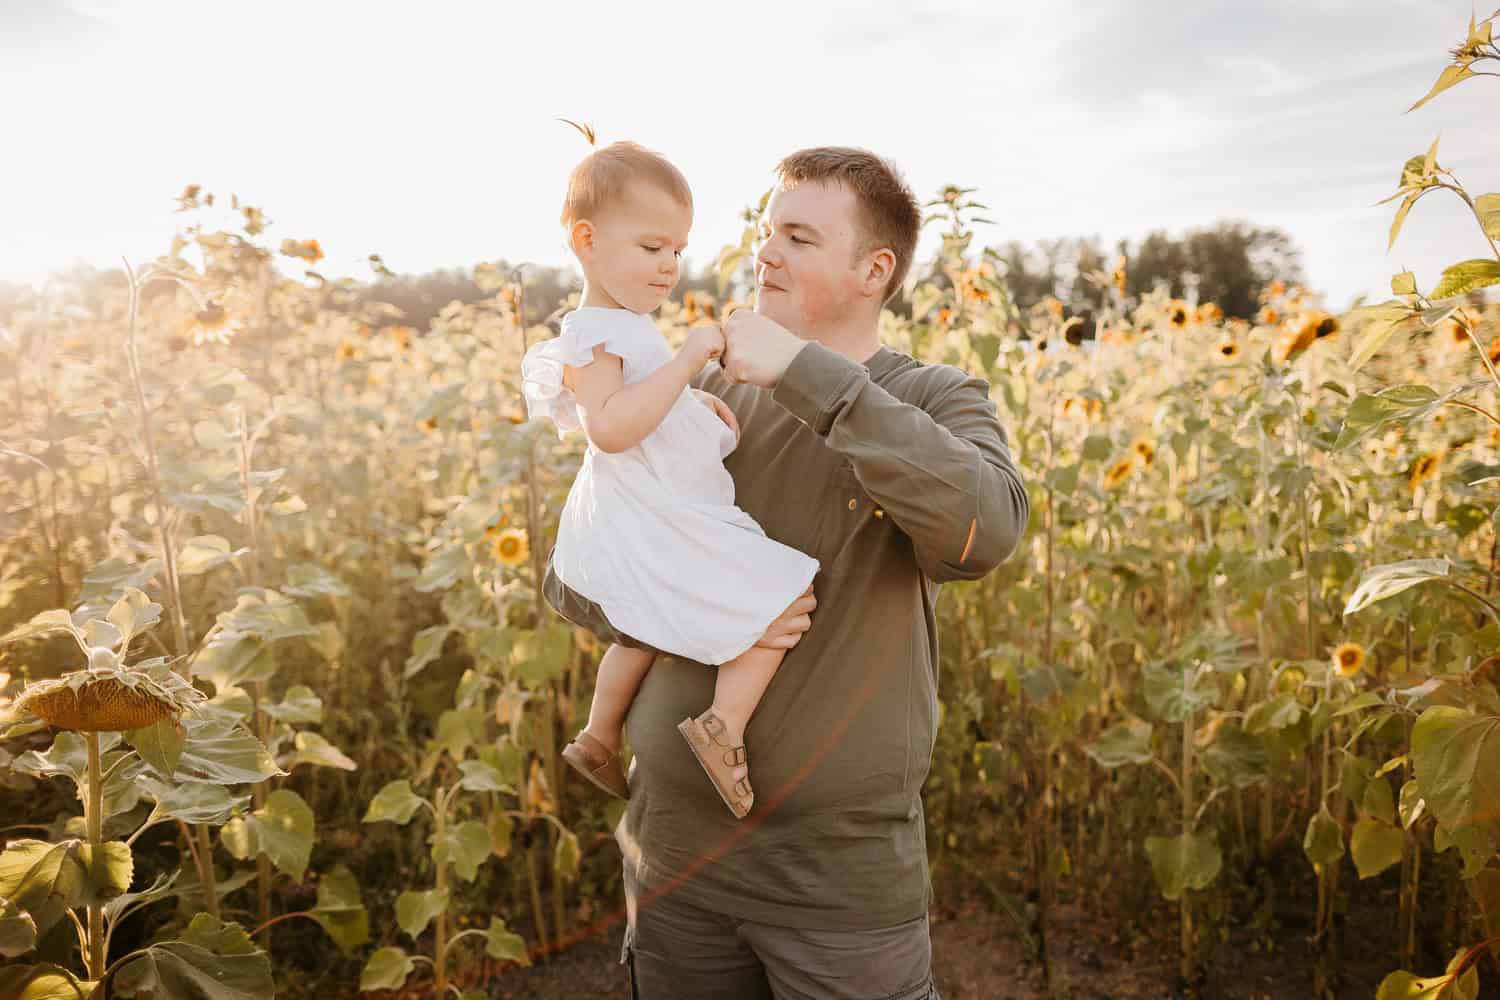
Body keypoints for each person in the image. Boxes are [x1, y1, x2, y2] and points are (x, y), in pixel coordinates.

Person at [543, 146, 1031, 999]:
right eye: (767, 232)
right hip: (675, 860)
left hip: (831, 883)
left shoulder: (933, 400)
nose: (764, 253)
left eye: (799, 237)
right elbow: (579, 589)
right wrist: (703, 599)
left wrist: (810, 378)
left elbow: (983, 533)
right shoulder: (696, 399)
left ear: (873, 270)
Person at [521, 137, 821, 821]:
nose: (669, 267)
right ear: (587, 240)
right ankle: (723, 726)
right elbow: (610, 426)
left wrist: (693, 404)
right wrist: (687, 363)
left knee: (644, 627)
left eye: (677, 251)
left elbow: (644, 405)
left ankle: (598, 736)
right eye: (651, 247)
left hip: (653, 505)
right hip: (652, 511)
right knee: (785, 593)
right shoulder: (594, 336)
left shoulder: (622, 326)